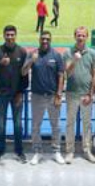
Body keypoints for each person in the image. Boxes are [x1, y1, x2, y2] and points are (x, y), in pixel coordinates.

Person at [22, 30, 65, 165]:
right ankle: (37, 151)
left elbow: (61, 76)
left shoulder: (56, 55)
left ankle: (56, 151)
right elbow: (23, 72)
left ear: (50, 40)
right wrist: (31, 62)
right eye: (43, 39)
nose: (45, 41)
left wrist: (59, 94)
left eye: (47, 39)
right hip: (37, 96)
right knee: (36, 126)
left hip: (52, 96)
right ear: (39, 40)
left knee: (56, 126)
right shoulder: (32, 54)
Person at [0, 25, 27, 165]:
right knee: (0, 125)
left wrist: (20, 92)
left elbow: (25, 75)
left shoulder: (22, 52)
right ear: (4, 35)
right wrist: (1, 63)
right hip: (1, 94)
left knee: (18, 125)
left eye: (12, 34)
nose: (10, 37)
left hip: (16, 95)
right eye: (7, 35)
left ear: (16, 35)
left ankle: (19, 151)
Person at [63, 26, 95, 164]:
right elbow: (67, 73)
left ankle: (87, 150)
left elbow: (94, 75)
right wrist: (75, 60)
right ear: (74, 36)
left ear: (87, 37)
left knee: (87, 124)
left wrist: (91, 94)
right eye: (78, 35)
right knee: (70, 123)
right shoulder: (68, 53)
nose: (80, 37)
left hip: (86, 95)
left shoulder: (93, 54)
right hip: (72, 93)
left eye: (83, 35)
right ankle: (69, 151)